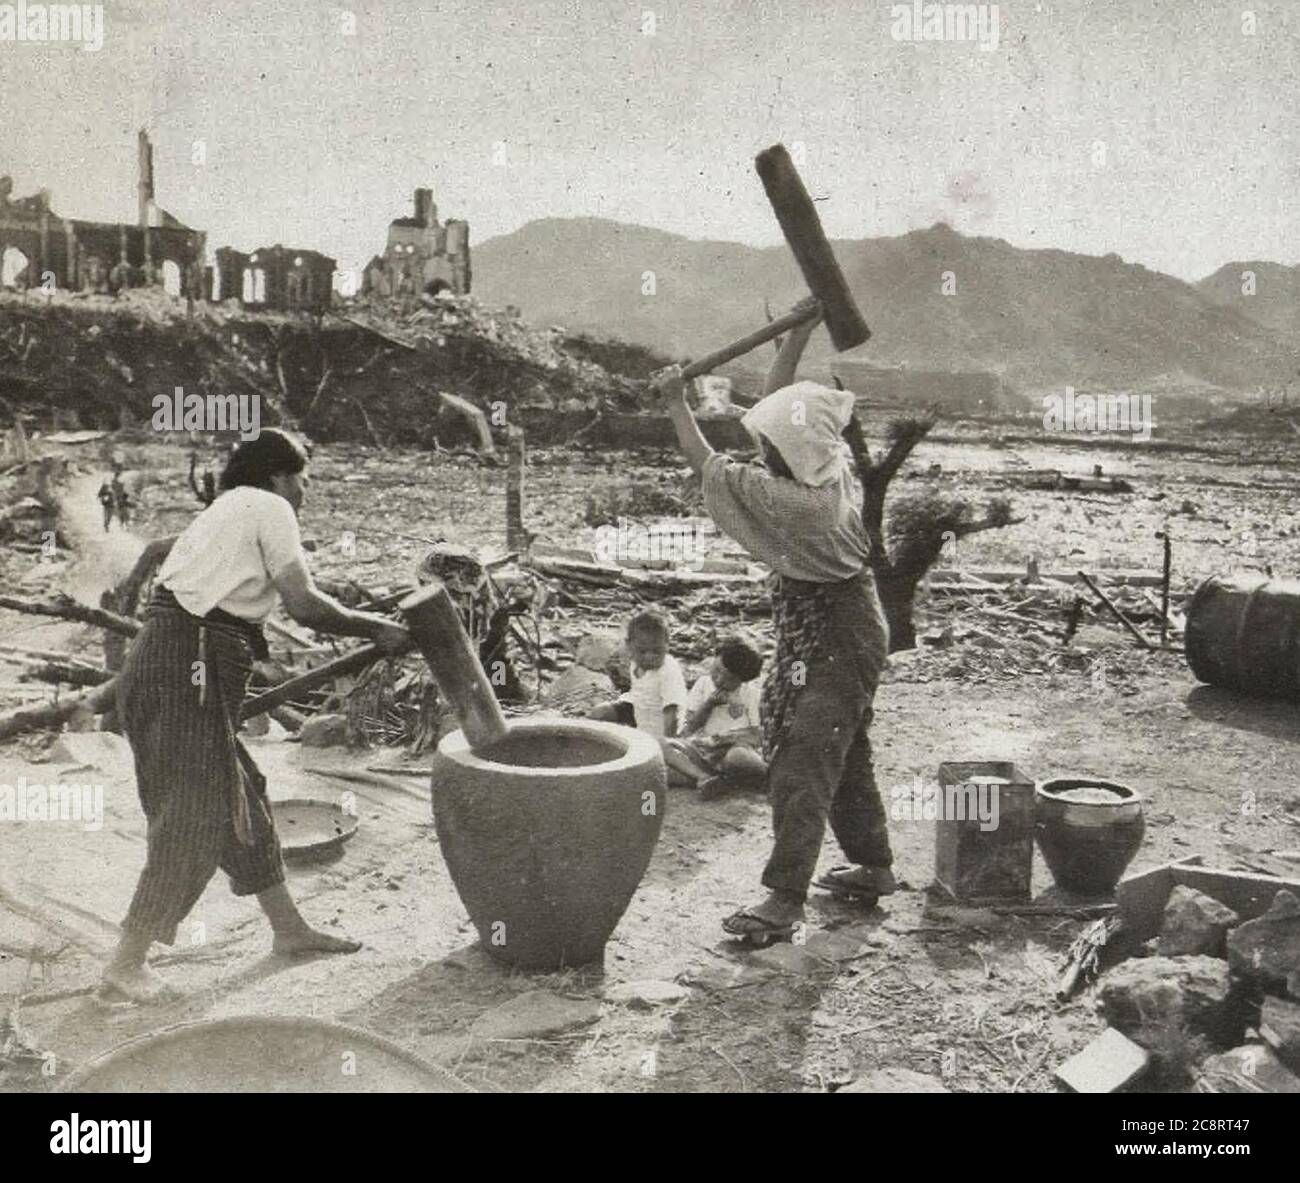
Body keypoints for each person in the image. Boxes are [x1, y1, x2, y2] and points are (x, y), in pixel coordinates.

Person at [100, 429, 409, 1003]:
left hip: (175, 654)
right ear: (279, 476)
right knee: (192, 809)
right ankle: (125, 963)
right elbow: (304, 603)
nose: (307, 489)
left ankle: (288, 930)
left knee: (243, 789)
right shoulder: (268, 505)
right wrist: (377, 628)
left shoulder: (226, 508)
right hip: (186, 658)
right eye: (304, 477)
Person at [654, 296, 896, 943]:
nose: (761, 445)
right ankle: (873, 865)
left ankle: (783, 898)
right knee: (844, 749)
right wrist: (800, 330)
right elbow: (781, 401)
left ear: (793, 452)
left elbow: (706, 463)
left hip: (837, 633)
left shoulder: (799, 502)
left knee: (801, 758)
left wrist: (676, 401)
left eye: (771, 443)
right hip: (840, 623)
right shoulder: (830, 465)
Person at [662, 634, 767, 799]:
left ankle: (724, 780)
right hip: (702, 752)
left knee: (739, 758)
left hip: (732, 751)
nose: (719, 680)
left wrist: (726, 738)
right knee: (662, 745)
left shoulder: (751, 695)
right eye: (717, 671)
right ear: (714, 657)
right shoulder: (703, 684)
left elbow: (757, 735)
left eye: (729, 679)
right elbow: (688, 728)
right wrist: (709, 705)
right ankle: (707, 778)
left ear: (743, 680)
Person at [588, 609, 687, 739]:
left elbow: (672, 715)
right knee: (599, 713)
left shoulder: (668, 670)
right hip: (640, 715)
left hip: (660, 731)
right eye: (642, 651)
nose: (649, 656)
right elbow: (639, 695)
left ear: (667, 645)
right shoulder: (634, 663)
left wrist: (666, 744)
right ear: (629, 645)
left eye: (657, 651)